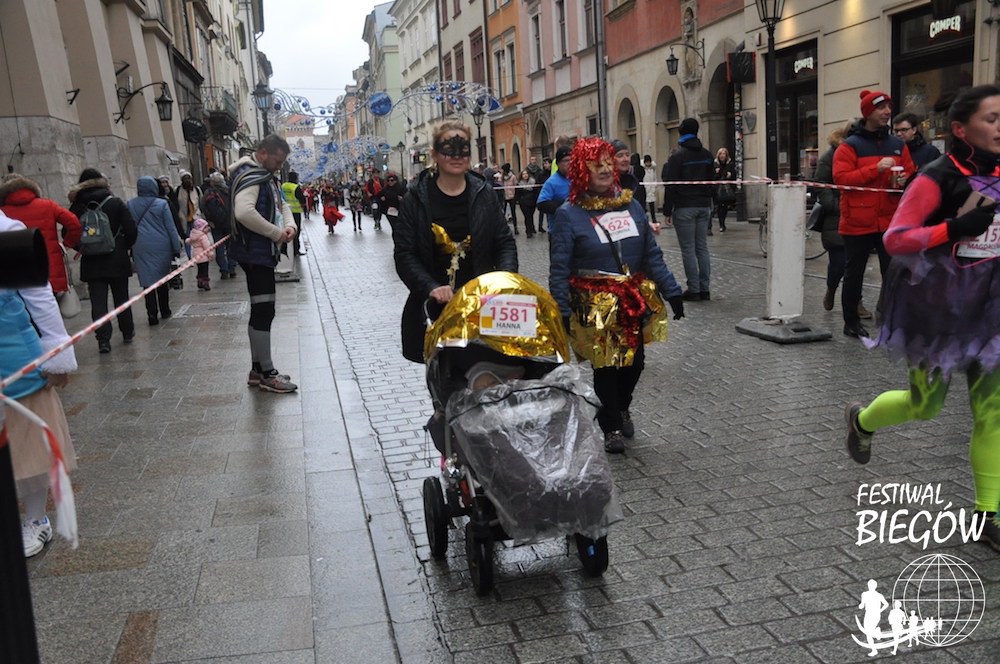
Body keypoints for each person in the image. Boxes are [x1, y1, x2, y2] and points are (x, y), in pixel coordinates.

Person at [845, 85, 1000, 553]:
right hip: (938, 308)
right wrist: (952, 228)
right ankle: (862, 421)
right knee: (925, 405)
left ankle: (988, 514)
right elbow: (896, 239)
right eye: (992, 118)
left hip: (991, 309)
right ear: (961, 129)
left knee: (992, 412)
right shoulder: (937, 176)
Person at [549, 137, 684, 454]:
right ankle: (611, 426)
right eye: (596, 164)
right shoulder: (569, 214)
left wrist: (672, 290)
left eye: (608, 163)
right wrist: (561, 309)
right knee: (606, 366)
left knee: (634, 363)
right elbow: (559, 267)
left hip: (631, 299)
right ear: (582, 170)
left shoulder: (631, 205)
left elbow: (651, 255)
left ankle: (621, 407)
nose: (605, 169)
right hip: (593, 302)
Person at [392, 120, 517, 364]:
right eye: (449, 149)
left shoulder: (484, 194)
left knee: (486, 371)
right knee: (445, 375)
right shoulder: (414, 199)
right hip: (436, 307)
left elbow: (504, 242)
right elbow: (405, 254)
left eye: (463, 149)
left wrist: (503, 280)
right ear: (435, 154)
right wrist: (430, 287)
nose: (457, 156)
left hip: (482, 305)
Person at [0, 210, 78, 557]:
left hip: (12, 351)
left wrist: (56, 352)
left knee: (28, 442)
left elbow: (38, 294)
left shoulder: (6, 229)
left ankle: (36, 519)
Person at [833, 89, 916, 338]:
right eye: (881, 108)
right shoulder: (850, 146)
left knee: (892, 273)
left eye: (888, 107)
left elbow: (910, 174)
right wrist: (875, 169)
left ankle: (891, 319)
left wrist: (905, 179)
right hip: (857, 220)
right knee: (854, 273)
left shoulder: (897, 145)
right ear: (868, 113)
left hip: (889, 220)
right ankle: (851, 322)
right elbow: (842, 180)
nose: (887, 112)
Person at [227, 134, 298, 393]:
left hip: (258, 253)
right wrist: (276, 233)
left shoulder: (264, 175)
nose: (279, 167)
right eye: (277, 161)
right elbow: (244, 212)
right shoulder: (251, 175)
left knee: (261, 310)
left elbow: (281, 203)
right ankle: (268, 373)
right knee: (264, 311)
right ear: (263, 153)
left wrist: (289, 225)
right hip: (255, 253)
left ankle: (257, 370)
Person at [68, 168, 137, 353]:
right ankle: (127, 331)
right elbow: (131, 230)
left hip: (92, 261)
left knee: (98, 302)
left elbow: (68, 233)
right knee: (121, 298)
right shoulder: (115, 202)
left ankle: (103, 340)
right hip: (117, 258)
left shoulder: (77, 206)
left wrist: (83, 248)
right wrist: (122, 246)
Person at [0, 173, 82, 296]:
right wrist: (66, 245)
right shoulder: (47, 205)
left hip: (18, 276)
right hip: (50, 270)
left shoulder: (3, 213)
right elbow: (74, 223)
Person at [662, 117, 715, 301]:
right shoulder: (707, 155)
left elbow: (671, 185)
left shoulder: (677, 157)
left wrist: (667, 210)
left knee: (688, 249)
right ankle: (705, 288)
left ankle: (694, 289)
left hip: (684, 207)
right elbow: (712, 181)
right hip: (703, 206)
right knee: (702, 248)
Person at [129, 176, 182, 325]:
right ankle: (165, 309)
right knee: (162, 278)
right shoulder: (161, 204)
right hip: (161, 245)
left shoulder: (131, 204)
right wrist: (176, 247)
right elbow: (170, 227)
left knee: (147, 281)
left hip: (140, 246)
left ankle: (151, 313)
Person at [814, 123, 850, 313]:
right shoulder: (829, 157)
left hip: (857, 215)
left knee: (856, 264)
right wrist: (834, 206)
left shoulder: (859, 153)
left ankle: (856, 301)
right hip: (835, 217)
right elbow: (820, 184)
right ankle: (831, 289)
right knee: (838, 262)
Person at [201, 172, 237, 279]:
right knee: (231, 247)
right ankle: (232, 268)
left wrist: (209, 220)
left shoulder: (208, 192)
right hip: (228, 223)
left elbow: (203, 206)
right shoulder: (229, 191)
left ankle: (224, 270)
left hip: (215, 224)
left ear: (212, 182)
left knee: (219, 247)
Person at [536, 146, 572, 235]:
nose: (570, 163)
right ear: (558, 163)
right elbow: (541, 204)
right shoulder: (551, 182)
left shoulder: (578, 179)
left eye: (572, 160)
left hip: (576, 230)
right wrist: (564, 206)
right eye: (566, 160)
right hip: (558, 231)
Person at [612, 140, 647, 215]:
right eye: (620, 156)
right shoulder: (605, 184)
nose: (625, 159)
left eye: (627, 155)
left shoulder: (633, 181)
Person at [281, 171, 307, 255]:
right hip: (295, 212)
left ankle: (287, 249)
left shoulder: (283, 186)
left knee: (286, 229)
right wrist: (303, 206)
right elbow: (302, 200)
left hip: (285, 212)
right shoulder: (295, 187)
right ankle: (296, 250)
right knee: (296, 230)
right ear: (295, 178)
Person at [187, 218, 216, 290]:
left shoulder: (193, 235)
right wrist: (211, 254)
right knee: (205, 271)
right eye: (205, 227)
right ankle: (205, 283)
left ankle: (199, 281)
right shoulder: (203, 236)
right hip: (204, 256)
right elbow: (207, 247)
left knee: (200, 269)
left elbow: (189, 241)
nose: (207, 229)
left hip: (196, 256)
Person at [713, 148, 737, 233]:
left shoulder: (730, 164)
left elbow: (732, 175)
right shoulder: (715, 164)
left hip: (727, 188)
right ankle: (721, 224)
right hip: (718, 188)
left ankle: (722, 222)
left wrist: (721, 172)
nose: (722, 156)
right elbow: (714, 175)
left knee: (725, 206)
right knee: (720, 206)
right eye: (721, 154)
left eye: (724, 154)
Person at [515, 168, 537, 237]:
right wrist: (519, 200)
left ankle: (532, 227)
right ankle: (528, 231)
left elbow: (535, 192)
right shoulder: (519, 184)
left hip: (532, 202)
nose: (525, 175)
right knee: (527, 216)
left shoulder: (533, 182)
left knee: (530, 215)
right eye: (523, 174)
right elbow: (517, 194)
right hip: (524, 203)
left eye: (526, 174)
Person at [642, 155, 660, 225]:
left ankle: (654, 219)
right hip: (644, 189)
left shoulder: (653, 169)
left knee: (652, 206)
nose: (648, 163)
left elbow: (655, 179)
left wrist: (654, 188)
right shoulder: (643, 169)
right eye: (646, 162)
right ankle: (644, 220)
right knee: (643, 206)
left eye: (649, 162)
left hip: (651, 190)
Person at [501, 163, 518, 233]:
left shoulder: (513, 177)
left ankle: (515, 228)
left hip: (512, 196)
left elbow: (516, 185)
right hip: (504, 196)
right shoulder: (502, 177)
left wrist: (515, 196)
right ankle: (503, 228)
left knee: (513, 212)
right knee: (503, 213)